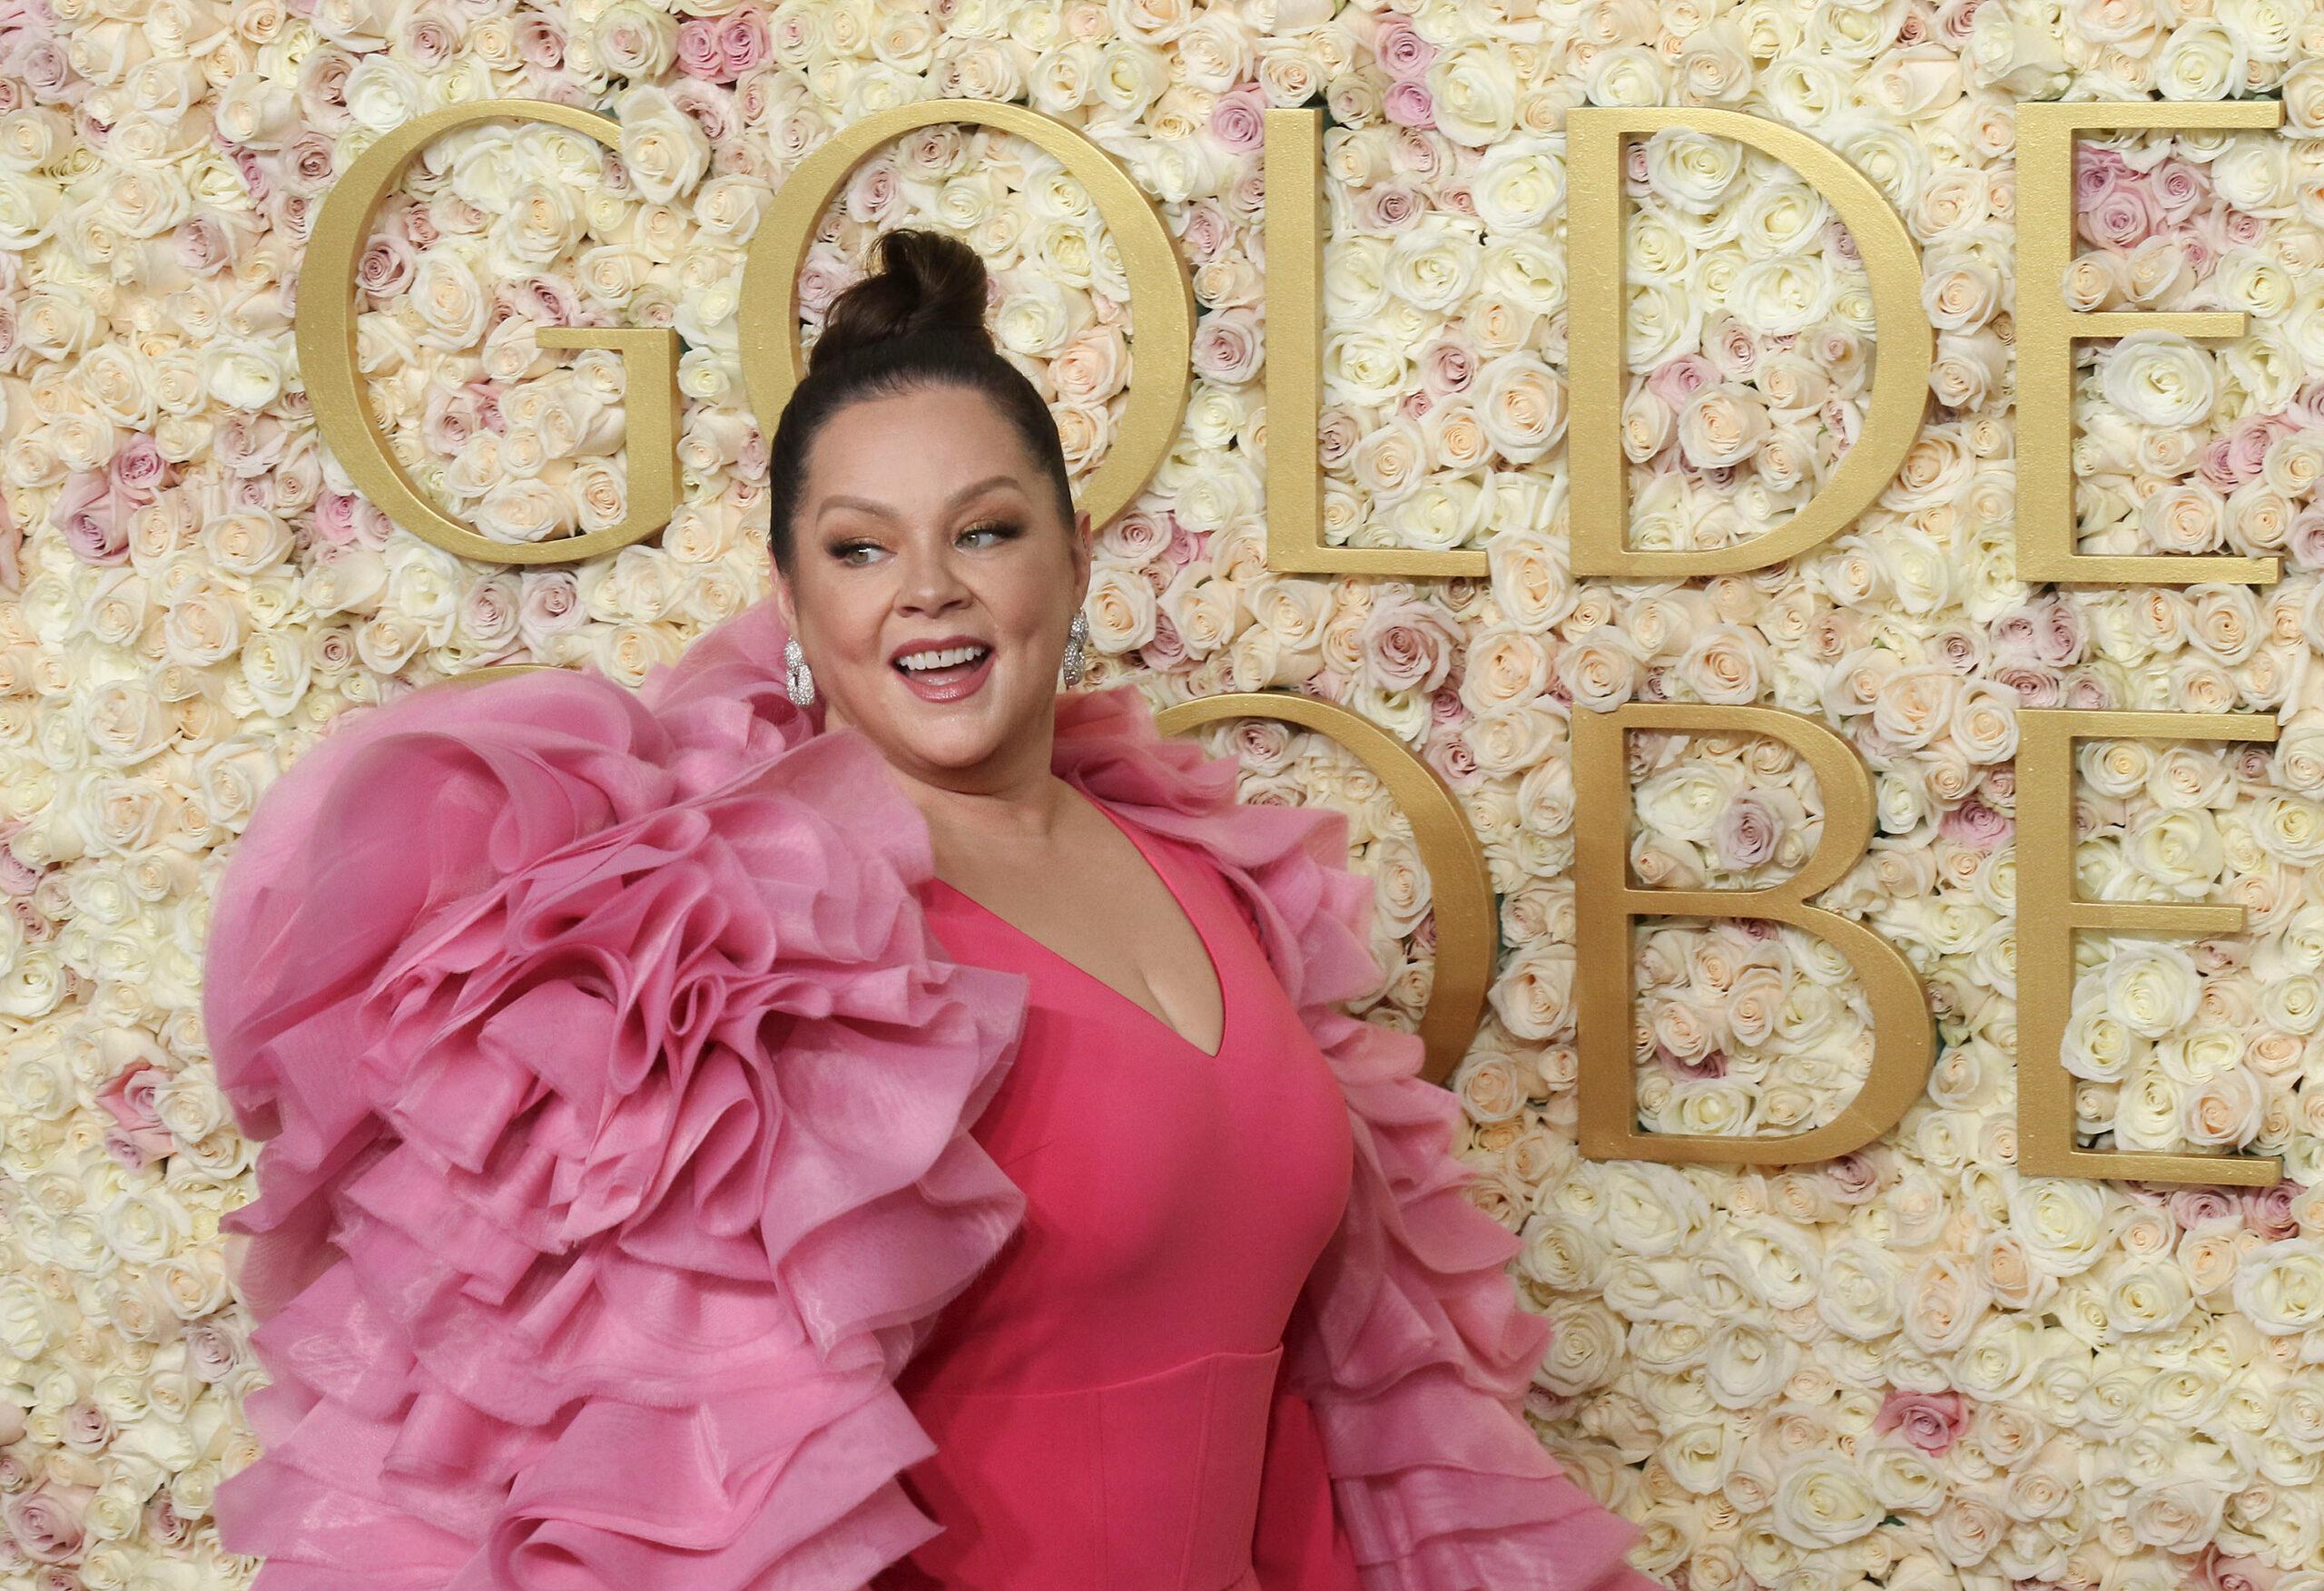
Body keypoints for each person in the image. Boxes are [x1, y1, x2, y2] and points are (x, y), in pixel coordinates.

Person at [202, 227, 1661, 1590]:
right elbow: (675, 1474)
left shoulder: (1221, 881)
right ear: (788, 595)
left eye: (984, 532)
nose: (926, 594)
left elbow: (1307, 1404)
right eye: (858, 548)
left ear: (1074, 554)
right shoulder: (739, 953)